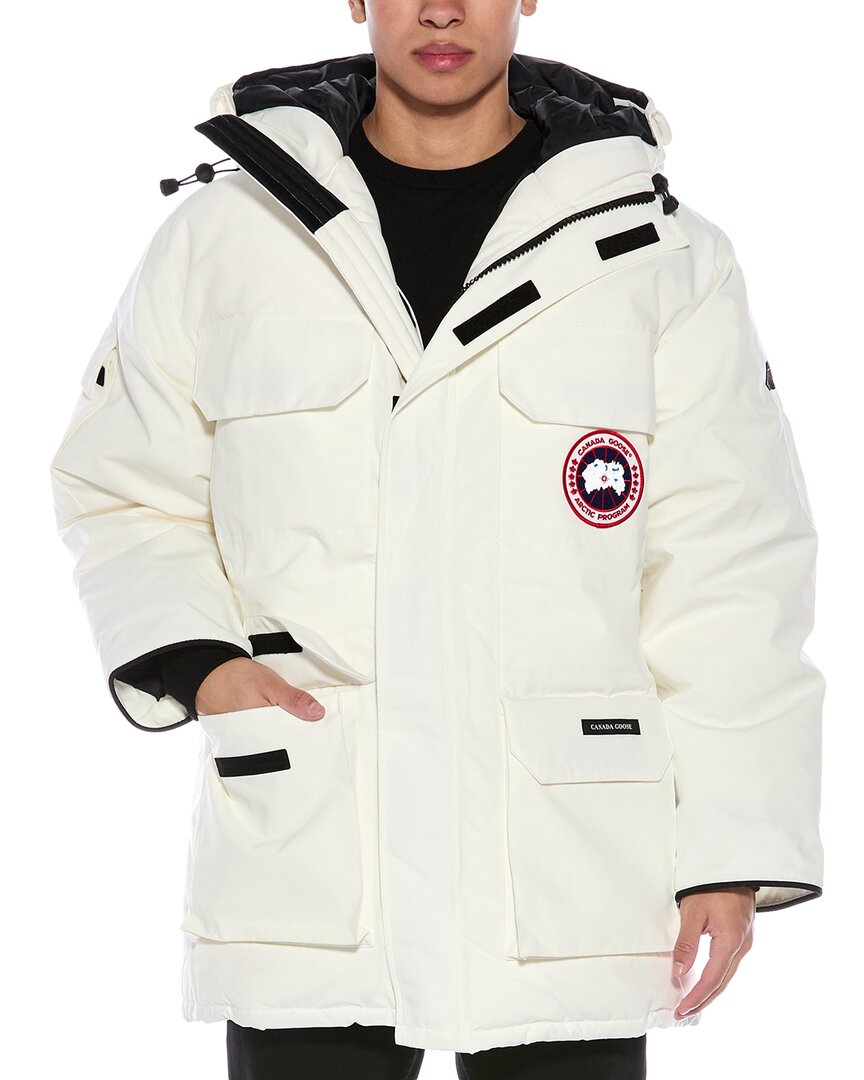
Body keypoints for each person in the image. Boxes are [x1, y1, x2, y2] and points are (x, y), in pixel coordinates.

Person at [48, 2, 825, 1078]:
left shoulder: (660, 254)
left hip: (567, 867)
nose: (443, 8)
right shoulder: (228, 235)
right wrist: (201, 662)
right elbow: (124, 480)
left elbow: (731, 560)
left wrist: (730, 850)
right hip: (316, 859)